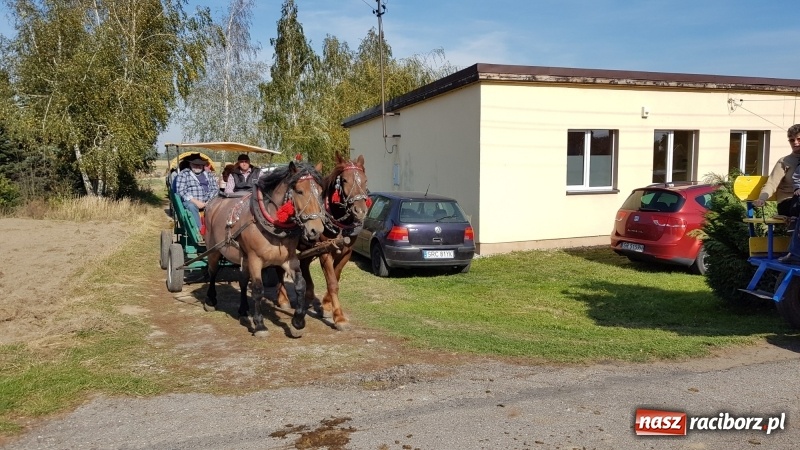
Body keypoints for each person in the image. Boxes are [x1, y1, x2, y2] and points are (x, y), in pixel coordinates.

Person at [754, 124, 800, 263]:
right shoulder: (784, 161)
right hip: (788, 202)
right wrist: (762, 198)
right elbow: (771, 184)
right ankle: (795, 253)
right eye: (791, 140)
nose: (795, 143)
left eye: (798, 139)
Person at [174, 154, 218, 231]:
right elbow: (181, 191)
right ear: (190, 164)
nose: (197, 166)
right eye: (195, 164)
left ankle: (216, 230)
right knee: (191, 206)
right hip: (191, 201)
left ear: (203, 165)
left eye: (200, 164)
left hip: (208, 201)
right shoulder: (184, 174)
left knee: (220, 205)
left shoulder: (209, 174)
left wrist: (208, 201)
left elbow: (215, 189)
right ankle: (199, 231)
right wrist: (196, 202)